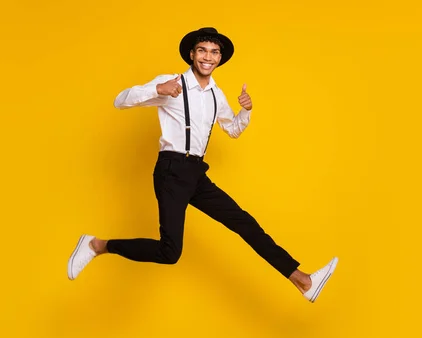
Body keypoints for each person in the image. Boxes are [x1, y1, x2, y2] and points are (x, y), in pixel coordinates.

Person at [67, 27, 338, 303]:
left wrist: (246, 111)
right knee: (170, 253)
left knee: (244, 223)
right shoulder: (172, 83)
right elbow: (120, 101)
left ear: (219, 58)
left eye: (214, 52)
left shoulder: (216, 95)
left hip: (196, 174)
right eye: (202, 50)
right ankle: (97, 245)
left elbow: (232, 129)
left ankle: (302, 280)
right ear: (192, 54)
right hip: (171, 171)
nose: (208, 57)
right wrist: (157, 89)